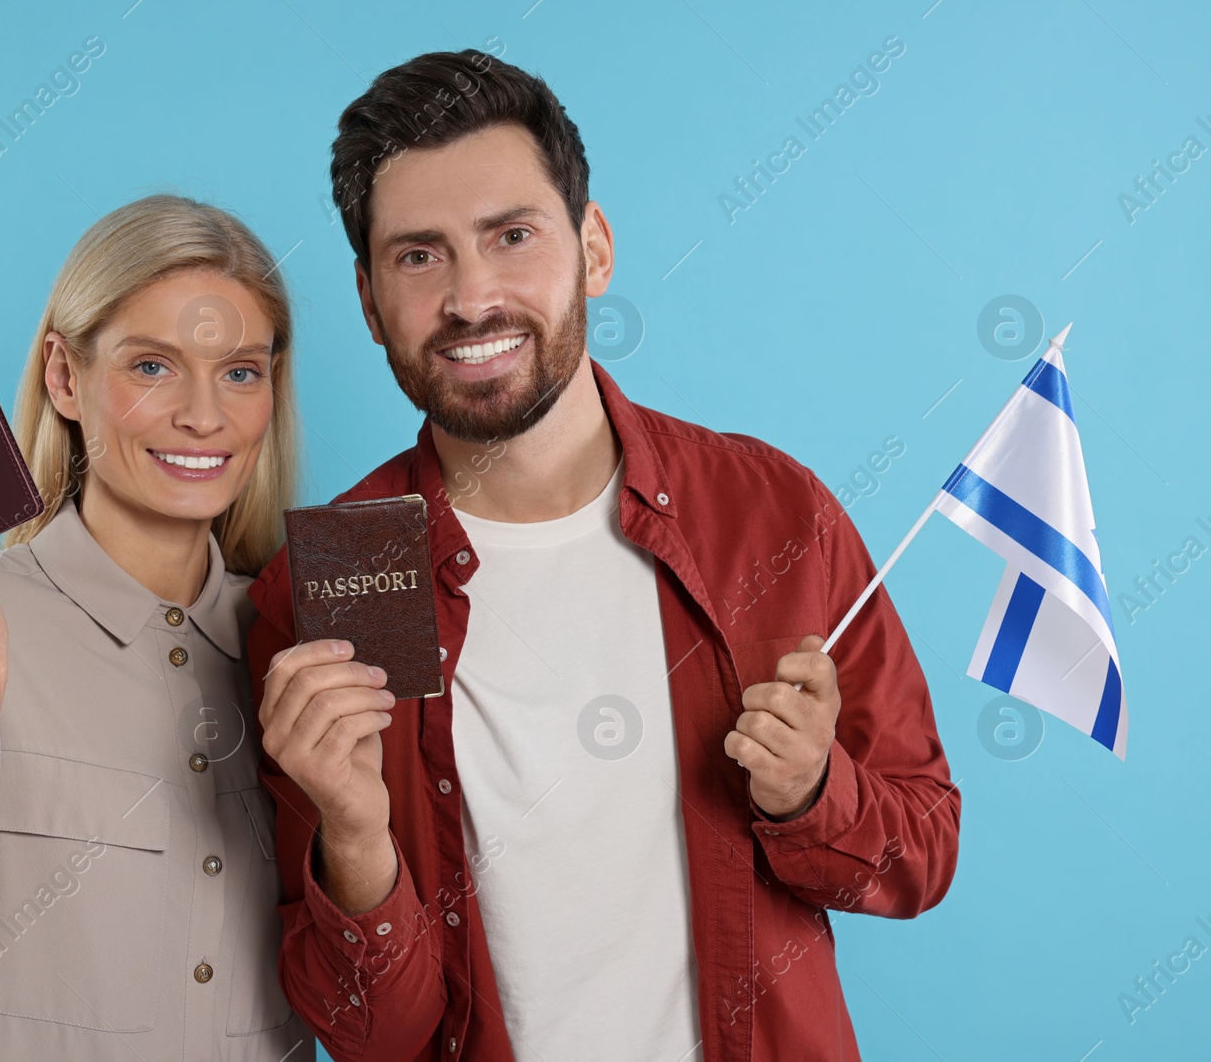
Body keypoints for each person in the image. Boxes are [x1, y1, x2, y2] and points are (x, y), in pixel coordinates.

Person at [246, 51, 961, 1062]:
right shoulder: (333, 579)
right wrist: (353, 838)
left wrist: (808, 794)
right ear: (368, 302)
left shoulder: (771, 514)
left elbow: (921, 853)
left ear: (594, 248)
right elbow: (375, 1035)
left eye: (511, 236)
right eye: (418, 255)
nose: (470, 296)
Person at [0, 194, 315, 1061]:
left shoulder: (296, 645)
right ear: (63, 376)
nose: (204, 416)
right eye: (152, 367)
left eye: (240, 371)